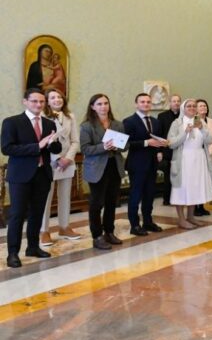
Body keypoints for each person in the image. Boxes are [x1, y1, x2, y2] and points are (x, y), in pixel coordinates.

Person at [2, 89, 62, 267]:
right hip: (20, 175)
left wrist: (53, 145)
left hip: (42, 174)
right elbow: (7, 148)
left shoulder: (49, 123)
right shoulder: (12, 122)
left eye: (42, 102)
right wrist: (37, 146)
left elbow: (55, 149)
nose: (39, 105)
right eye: (34, 101)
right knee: (17, 215)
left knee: (37, 213)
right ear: (25, 102)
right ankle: (13, 253)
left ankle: (33, 247)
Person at [80, 94, 126, 251]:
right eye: (99, 104)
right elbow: (85, 149)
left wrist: (117, 146)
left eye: (106, 103)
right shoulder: (87, 126)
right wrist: (103, 147)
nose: (103, 106)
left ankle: (109, 232)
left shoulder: (117, 124)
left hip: (114, 165)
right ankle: (97, 236)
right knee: (96, 203)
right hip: (97, 168)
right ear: (93, 107)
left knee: (112, 202)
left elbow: (125, 146)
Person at [39, 88, 81, 246]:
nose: (57, 100)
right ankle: (44, 231)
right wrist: (57, 158)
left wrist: (68, 158)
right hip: (50, 161)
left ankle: (64, 227)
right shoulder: (42, 116)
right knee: (46, 198)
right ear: (47, 101)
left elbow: (75, 140)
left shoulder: (71, 116)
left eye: (59, 97)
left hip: (67, 162)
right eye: (53, 97)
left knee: (65, 196)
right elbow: (44, 141)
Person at [167, 99, 212, 229]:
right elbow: (171, 143)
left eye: (194, 106)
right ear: (183, 108)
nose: (192, 108)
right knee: (181, 188)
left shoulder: (200, 121)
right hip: (183, 160)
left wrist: (202, 129)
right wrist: (185, 132)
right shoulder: (177, 123)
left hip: (198, 160)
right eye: (189, 106)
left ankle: (191, 216)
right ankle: (181, 219)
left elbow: (211, 139)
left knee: (194, 188)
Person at [123, 93, 166, 237]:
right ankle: (134, 225)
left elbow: (158, 139)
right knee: (136, 195)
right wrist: (146, 143)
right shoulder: (129, 121)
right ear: (136, 104)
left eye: (148, 102)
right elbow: (126, 144)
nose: (146, 104)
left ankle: (148, 221)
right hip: (136, 163)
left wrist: (161, 147)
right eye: (142, 102)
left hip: (152, 163)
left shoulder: (155, 121)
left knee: (149, 194)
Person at [193, 99, 212, 216]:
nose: (203, 108)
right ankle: (196, 207)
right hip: (198, 155)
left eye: (205, 106)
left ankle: (202, 206)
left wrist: (210, 151)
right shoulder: (194, 121)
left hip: (208, 154)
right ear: (196, 109)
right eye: (200, 106)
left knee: (206, 181)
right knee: (197, 181)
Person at [157, 94, 182, 205]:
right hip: (167, 151)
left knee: (180, 175)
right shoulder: (162, 116)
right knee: (168, 176)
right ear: (170, 103)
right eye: (174, 101)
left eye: (178, 101)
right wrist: (160, 151)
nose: (176, 103)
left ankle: (179, 198)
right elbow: (160, 134)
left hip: (181, 150)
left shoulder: (183, 116)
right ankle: (167, 199)